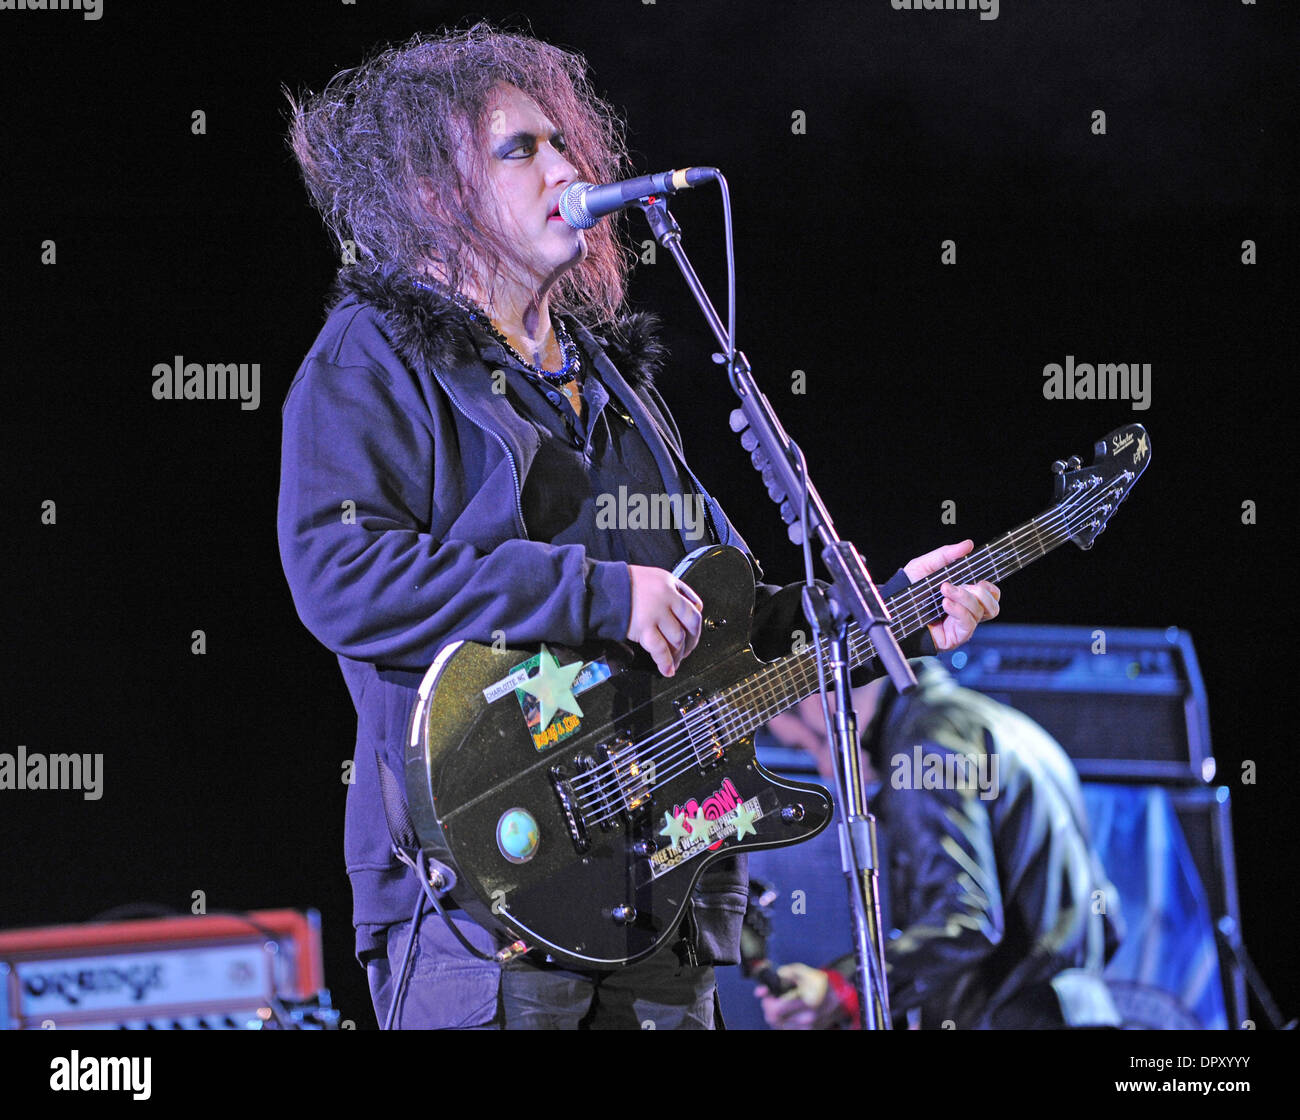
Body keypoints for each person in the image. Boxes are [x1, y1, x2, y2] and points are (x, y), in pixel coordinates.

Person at [276, 22, 1001, 1029]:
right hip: (486, 899)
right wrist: (600, 594)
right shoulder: (373, 357)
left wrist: (891, 617)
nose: (564, 166)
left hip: (657, 896)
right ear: (431, 191)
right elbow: (341, 573)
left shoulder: (609, 378)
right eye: (519, 148)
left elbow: (720, 636)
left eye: (564, 142)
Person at [757, 658, 1123, 1030]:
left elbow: (965, 918)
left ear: (818, 697)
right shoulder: (1005, 725)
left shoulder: (923, 745)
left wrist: (843, 987)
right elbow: (1108, 922)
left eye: (810, 745)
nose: (825, 769)